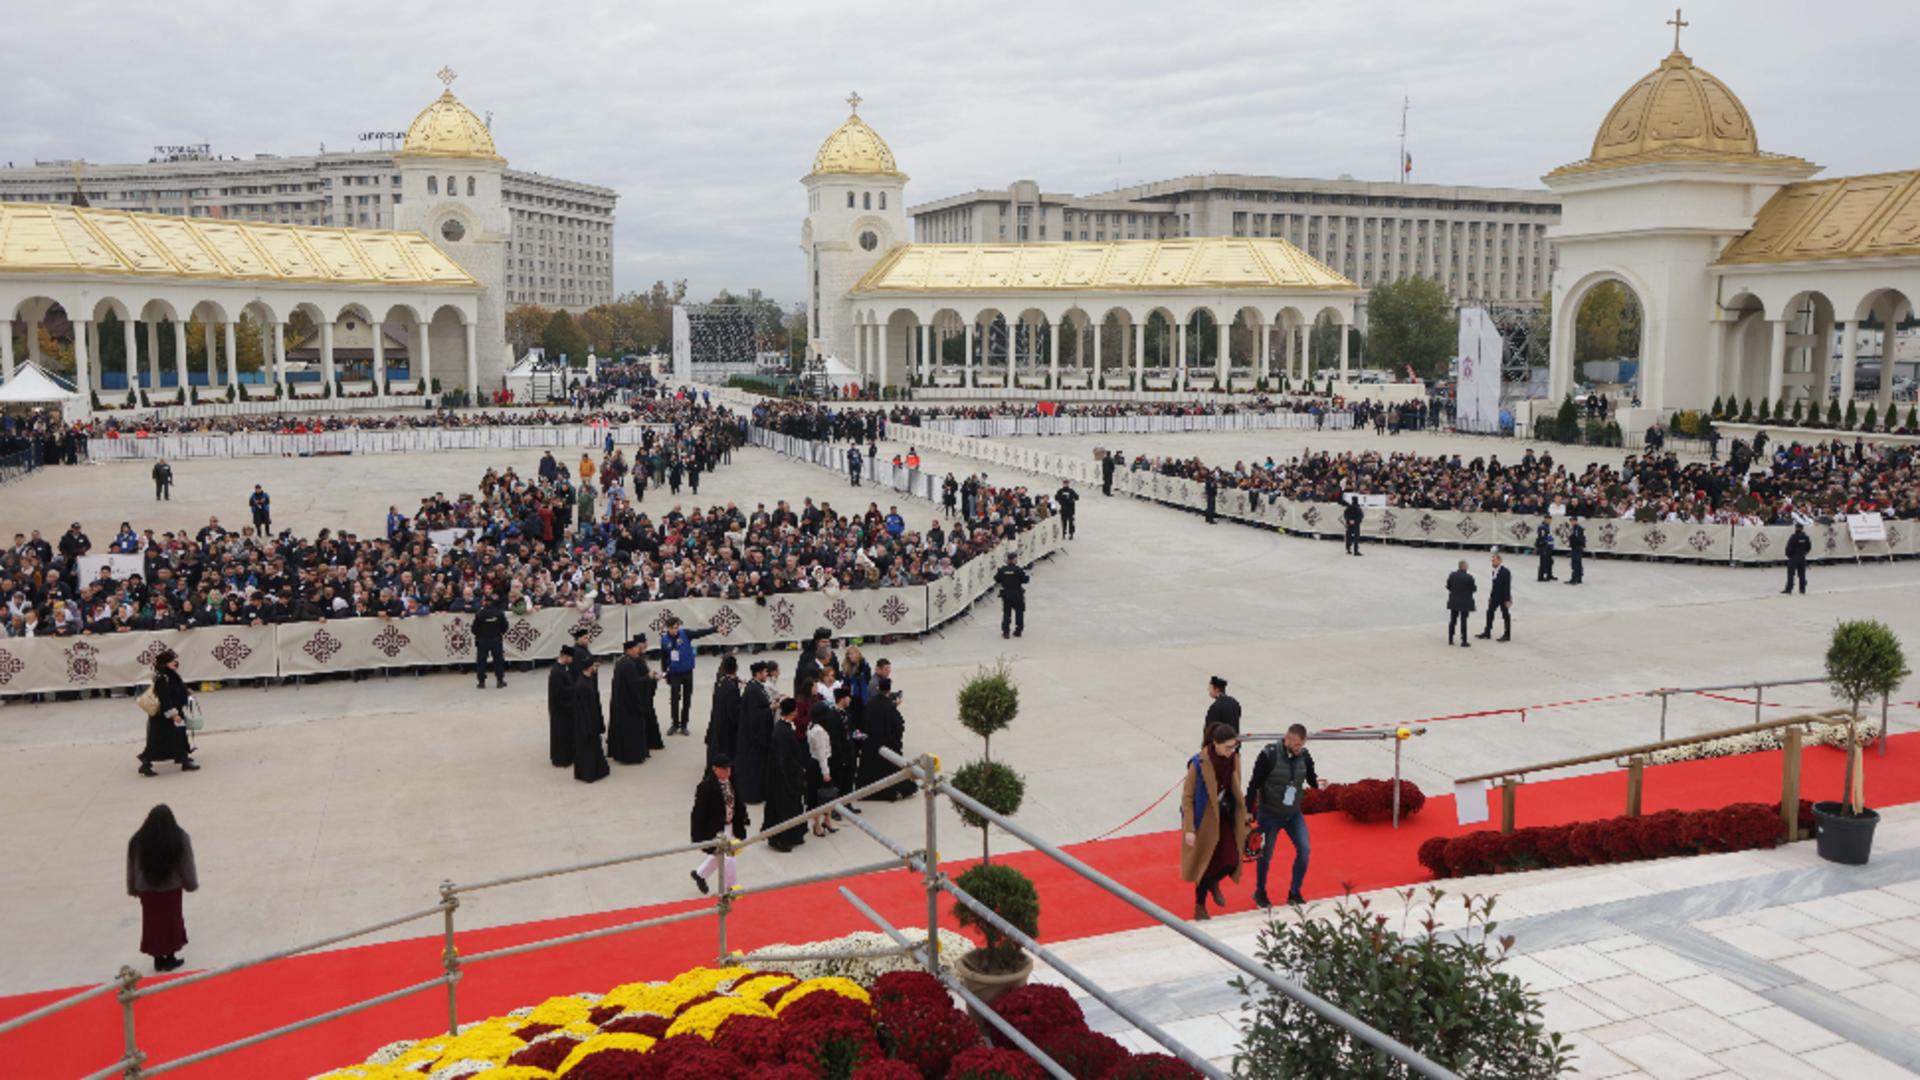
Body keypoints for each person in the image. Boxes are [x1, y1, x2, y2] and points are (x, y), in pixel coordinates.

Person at [1246, 723, 1321, 908]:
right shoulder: (1268, 755)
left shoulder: (1305, 756)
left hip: (1293, 814)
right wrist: (1248, 810)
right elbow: (1254, 784)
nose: (1298, 749)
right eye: (1296, 745)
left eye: (1301, 746)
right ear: (1287, 738)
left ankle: (1294, 892)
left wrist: (1318, 783)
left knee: (1305, 850)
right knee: (1266, 855)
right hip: (1270, 814)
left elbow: (1311, 778)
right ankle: (1260, 892)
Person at [1181, 723, 1248, 921]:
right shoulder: (1198, 763)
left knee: (1231, 860)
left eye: (1233, 747)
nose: (1231, 751)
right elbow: (1187, 798)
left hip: (1225, 817)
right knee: (1205, 864)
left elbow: (1236, 787)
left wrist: (1244, 813)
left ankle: (1213, 883)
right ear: (1215, 744)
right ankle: (1200, 906)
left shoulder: (1234, 759)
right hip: (1205, 822)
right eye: (1227, 747)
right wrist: (1190, 829)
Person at [127, 804, 198, 972]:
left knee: (152, 923)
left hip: (147, 890)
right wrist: (190, 883)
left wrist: (133, 887)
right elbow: (186, 864)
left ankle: (158, 959)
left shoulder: (138, 839)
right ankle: (170, 957)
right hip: (171, 889)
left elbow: (133, 866)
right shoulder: (179, 837)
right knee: (172, 921)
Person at [688, 755, 750, 895]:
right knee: (729, 857)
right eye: (724, 769)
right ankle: (731, 888)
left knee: (721, 854)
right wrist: (698, 835)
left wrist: (744, 817)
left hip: (731, 825)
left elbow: (738, 801)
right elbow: (698, 813)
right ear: (715, 769)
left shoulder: (732, 781)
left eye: (729, 768)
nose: (728, 771)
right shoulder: (706, 787)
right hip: (717, 829)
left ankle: (700, 874)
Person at [138, 649, 198, 776]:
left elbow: (176, 688)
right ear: (165, 664)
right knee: (160, 740)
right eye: (171, 661)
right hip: (166, 715)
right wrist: (174, 714)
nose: (174, 663)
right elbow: (165, 698)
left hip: (173, 711)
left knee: (178, 736)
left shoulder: (170, 674)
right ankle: (146, 761)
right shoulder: (163, 678)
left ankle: (183, 758)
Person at [856, 675, 916, 801]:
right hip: (887, 743)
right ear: (888, 690)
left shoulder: (870, 704)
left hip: (871, 743)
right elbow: (898, 724)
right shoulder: (889, 706)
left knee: (871, 768)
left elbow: (863, 723)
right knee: (890, 767)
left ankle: (869, 793)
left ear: (878, 688)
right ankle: (890, 792)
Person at [658, 616, 719, 736]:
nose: (675, 630)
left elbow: (699, 633)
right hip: (674, 673)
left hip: (687, 671)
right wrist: (665, 673)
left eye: (676, 627)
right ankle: (675, 724)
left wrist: (714, 629)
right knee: (674, 699)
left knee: (687, 698)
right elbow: (664, 658)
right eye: (672, 628)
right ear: (668, 628)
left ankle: (684, 725)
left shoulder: (685, 633)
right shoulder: (664, 640)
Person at [607, 636, 663, 764]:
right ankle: (632, 756)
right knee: (632, 732)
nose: (638, 650)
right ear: (629, 650)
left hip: (623, 703)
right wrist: (648, 678)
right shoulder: (628, 664)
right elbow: (634, 684)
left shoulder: (623, 662)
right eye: (635, 648)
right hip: (629, 705)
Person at [765, 697, 810, 852]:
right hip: (784, 780)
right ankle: (782, 840)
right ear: (793, 712)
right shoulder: (782, 732)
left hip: (788, 776)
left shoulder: (783, 728)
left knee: (793, 808)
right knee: (784, 811)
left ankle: (794, 835)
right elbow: (783, 759)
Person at [734, 661, 775, 803]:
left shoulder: (756, 687)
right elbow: (755, 715)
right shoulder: (753, 690)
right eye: (764, 672)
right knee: (753, 769)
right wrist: (771, 708)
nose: (766, 674)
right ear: (757, 674)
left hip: (754, 736)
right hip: (753, 738)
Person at [571, 652, 610, 783]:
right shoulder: (582, 685)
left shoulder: (588, 681)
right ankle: (588, 774)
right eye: (594, 666)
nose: (596, 668)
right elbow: (583, 710)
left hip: (591, 721)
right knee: (587, 750)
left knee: (592, 749)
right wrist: (588, 727)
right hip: (586, 724)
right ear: (589, 667)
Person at [705, 655, 743, 767]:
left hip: (717, 719)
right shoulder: (731, 688)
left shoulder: (719, 683)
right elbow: (733, 712)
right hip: (726, 726)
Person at [547, 645, 576, 768]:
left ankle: (566, 756)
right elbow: (560, 693)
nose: (573, 660)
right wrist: (575, 688)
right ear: (565, 657)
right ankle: (561, 759)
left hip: (563, 708)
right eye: (571, 657)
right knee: (561, 734)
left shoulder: (562, 669)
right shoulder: (556, 672)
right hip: (560, 709)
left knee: (565, 734)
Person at [473, 592, 508, 689]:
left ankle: (481, 682)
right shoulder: (499, 613)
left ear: (484, 602)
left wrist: (480, 635)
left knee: (481, 661)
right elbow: (505, 626)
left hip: (482, 640)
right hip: (496, 639)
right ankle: (500, 681)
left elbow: (474, 629)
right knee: (498, 661)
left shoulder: (480, 614)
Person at [1476, 552, 1513, 642]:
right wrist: (1491, 597)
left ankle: (1507, 634)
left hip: (1503, 597)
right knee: (1489, 613)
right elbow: (1494, 586)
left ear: (1500, 561)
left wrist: (1508, 599)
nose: (1493, 562)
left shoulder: (1505, 572)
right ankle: (1487, 632)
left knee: (1505, 615)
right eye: (1492, 561)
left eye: (1494, 560)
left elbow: (1507, 586)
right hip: (1495, 597)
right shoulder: (1494, 571)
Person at [995, 551, 1028, 639]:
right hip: (1017, 593)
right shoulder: (1018, 570)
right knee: (1019, 612)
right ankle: (1018, 631)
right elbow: (1025, 580)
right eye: (1015, 559)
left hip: (1006, 593)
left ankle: (1006, 632)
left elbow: (996, 579)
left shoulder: (1002, 569)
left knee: (1006, 613)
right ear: (1013, 560)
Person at [1446, 559, 1477, 648]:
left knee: (1453, 620)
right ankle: (1464, 641)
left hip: (1454, 601)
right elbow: (1473, 589)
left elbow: (1448, 586)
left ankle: (1450, 639)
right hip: (1465, 602)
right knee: (1464, 621)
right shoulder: (1469, 577)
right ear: (1464, 567)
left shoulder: (1452, 575)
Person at [1784, 523, 1812, 595]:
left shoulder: (1793, 537)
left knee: (1791, 573)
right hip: (1802, 557)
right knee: (1802, 574)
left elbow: (1789, 547)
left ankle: (1789, 589)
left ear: (1796, 528)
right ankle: (1802, 589)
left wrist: (1788, 555)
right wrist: (1804, 553)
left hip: (1794, 557)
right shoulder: (1806, 537)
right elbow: (1809, 547)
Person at [1534, 518, 1556, 582]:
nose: (1550, 521)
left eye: (1551, 520)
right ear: (1545, 520)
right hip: (1544, 546)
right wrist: (1544, 543)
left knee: (1550, 561)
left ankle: (1549, 574)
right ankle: (1540, 577)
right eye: (1549, 520)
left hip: (1549, 546)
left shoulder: (1547, 526)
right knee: (1543, 561)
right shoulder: (1542, 527)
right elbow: (1541, 537)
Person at [1567, 518, 1587, 585]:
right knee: (1578, 563)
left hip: (1576, 548)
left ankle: (1574, 578)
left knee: (1575, 563)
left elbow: (1578, 538)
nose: (1572, 522)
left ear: (1576, 521)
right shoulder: (1575, 528)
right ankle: (1578, 578)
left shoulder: (1577, 529)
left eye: (1573, 521)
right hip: (1576, 547)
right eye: (1571, 521)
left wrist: (1578, 544)